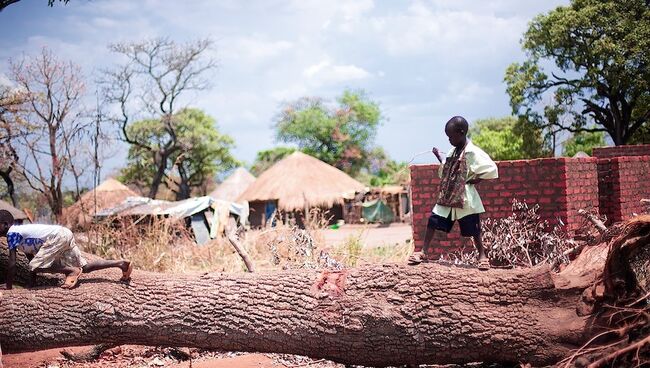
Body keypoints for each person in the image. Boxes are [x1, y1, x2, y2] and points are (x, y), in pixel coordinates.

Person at [408, 116, 498, 270]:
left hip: (465, 197)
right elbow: (446, 171)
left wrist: (477, 179)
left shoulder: (473, 152)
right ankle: (423, 252)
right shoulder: (452, 151)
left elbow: (492, 169)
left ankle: (482, 256)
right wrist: (440, 158)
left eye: (451, 136)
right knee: (434, 220)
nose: (449, 140)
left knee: (474, 228)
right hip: (449, 195)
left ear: (461, 132)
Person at [0, 210, 132, 289]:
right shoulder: (20, 235)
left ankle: (71, 271)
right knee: (84, 267)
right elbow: (33, 259)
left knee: (34, 266)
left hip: (57, 237)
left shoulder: (12, 233)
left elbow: (12, 263)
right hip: (64, 234)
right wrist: (32, 283)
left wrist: (8, 286)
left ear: (5, 225)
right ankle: (121, 264)